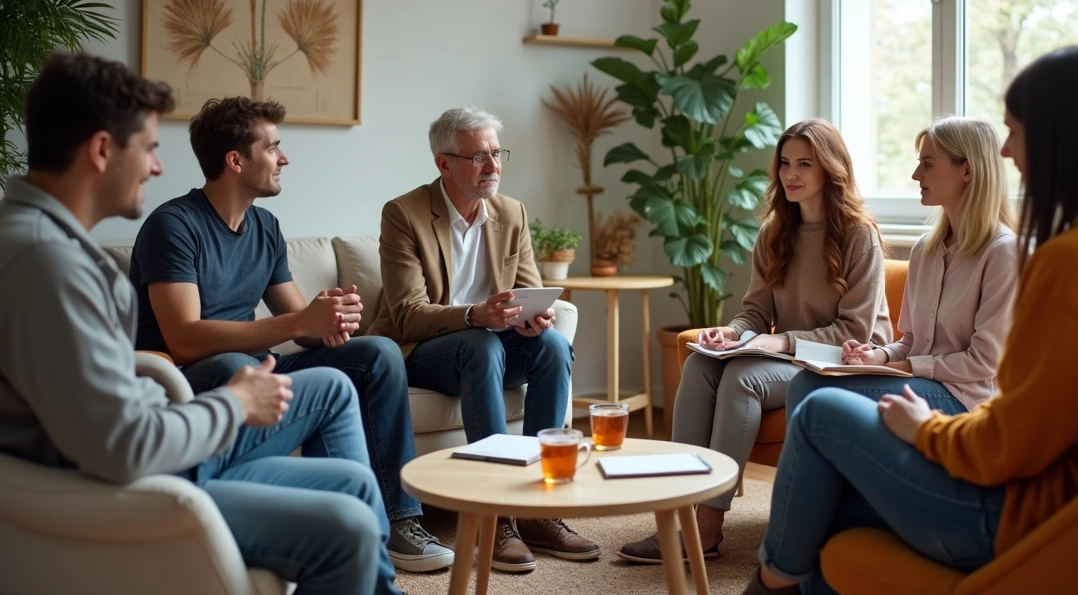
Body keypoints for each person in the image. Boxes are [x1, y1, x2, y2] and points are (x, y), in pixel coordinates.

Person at [743, 46, 1078, 595]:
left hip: (1018, 517)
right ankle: (784, 577)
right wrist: (892, 363)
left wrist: (928, 429)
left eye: (1015, 131)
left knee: (820, 410)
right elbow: (1042, 422)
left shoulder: (1074, 263)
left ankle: (768, 583)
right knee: (826, 515)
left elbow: (1010, 440)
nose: (1008, 150)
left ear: (1062, 137)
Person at [0, 53, 403, 594]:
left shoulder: (39, 244)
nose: (158, 167)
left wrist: (319, 318)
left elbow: (103, 413)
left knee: (353, 479)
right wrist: (234, 403)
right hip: (124, 480)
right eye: (148, 149)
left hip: (135, 449)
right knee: (347, 523)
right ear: (101, 151)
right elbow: (125, 442)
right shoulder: (51, 265)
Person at [128, 96, 452, 572]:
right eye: (274, 147)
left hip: (255, 366)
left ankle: (397, 521)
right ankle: (325, 527)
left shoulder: (265, 226)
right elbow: (185, 338)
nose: (285, 158)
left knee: (378, 353)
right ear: (235, 161)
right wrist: (299, 323)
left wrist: (329, 320)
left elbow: (298, 324)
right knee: (234, 366)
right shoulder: (174, 226)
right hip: (193, 375)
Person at [618, 119, 893, 564]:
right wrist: (732, 333)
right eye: (785, 163)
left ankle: (707, 528)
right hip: (790, 356)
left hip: (845, 362)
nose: (790, 174)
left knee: (743, 377)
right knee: (700, 364)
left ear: (830, 169)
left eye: (804, 164)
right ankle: (678, 510)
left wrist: (778, 343)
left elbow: (855, 332)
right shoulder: (774, 233)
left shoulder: (859, 236)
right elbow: (756, 312)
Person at [367, 107, 595, 573]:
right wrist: (476, 314)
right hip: (425, 352)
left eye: (496, 153)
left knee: (551, 347)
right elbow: (407, 315)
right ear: (443, 163)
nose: (492, 166)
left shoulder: (511, 212)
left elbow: (531, 291)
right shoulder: (403, 214)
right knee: (480, 342)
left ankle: (541, 510)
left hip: (489, 347)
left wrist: (536, 318)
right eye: (478, 157)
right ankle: (498, 516)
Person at [785, 116, 1018, 417]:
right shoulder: (926, 250)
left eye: (928, 164)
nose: (915, 174)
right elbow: (911, 342)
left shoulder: (1003, 252)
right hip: (917, 382)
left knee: (812, 390)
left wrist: (897, 367)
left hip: (965, 398)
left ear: (967, 170)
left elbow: (984, 361)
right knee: (807, 381)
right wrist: (878, 355)